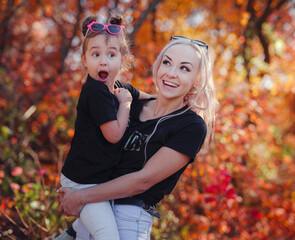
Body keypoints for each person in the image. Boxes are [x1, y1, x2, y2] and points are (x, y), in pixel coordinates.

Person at [57, 35, 217, 240]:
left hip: (128, 220)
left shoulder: (191, 126)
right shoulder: (129, 102)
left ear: (197, 80)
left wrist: (78, 197)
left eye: (184, 68)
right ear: (158, 66)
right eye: (166, 62)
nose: (171, 73)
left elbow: (142, 181)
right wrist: (74, 187)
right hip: (94, 210)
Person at [57, 10, 152, 240]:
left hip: (96, 181)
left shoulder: (116, 86)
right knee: (107, 235)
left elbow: (146, 96)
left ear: (122, 59)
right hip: (82, 182)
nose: (103, 60)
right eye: (96, 54)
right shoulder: (96, 91)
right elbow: (114, 134)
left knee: (85, 233)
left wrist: (178, 101)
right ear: (84, 60)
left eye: (111, 55)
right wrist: (125, 105)